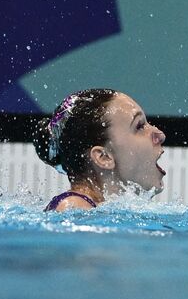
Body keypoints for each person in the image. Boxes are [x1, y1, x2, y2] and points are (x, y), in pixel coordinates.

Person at [33, 88, 167, 211]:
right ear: (103, 157)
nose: (160, 135)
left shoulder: (101, 210)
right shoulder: (73, 206)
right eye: (139, 126)